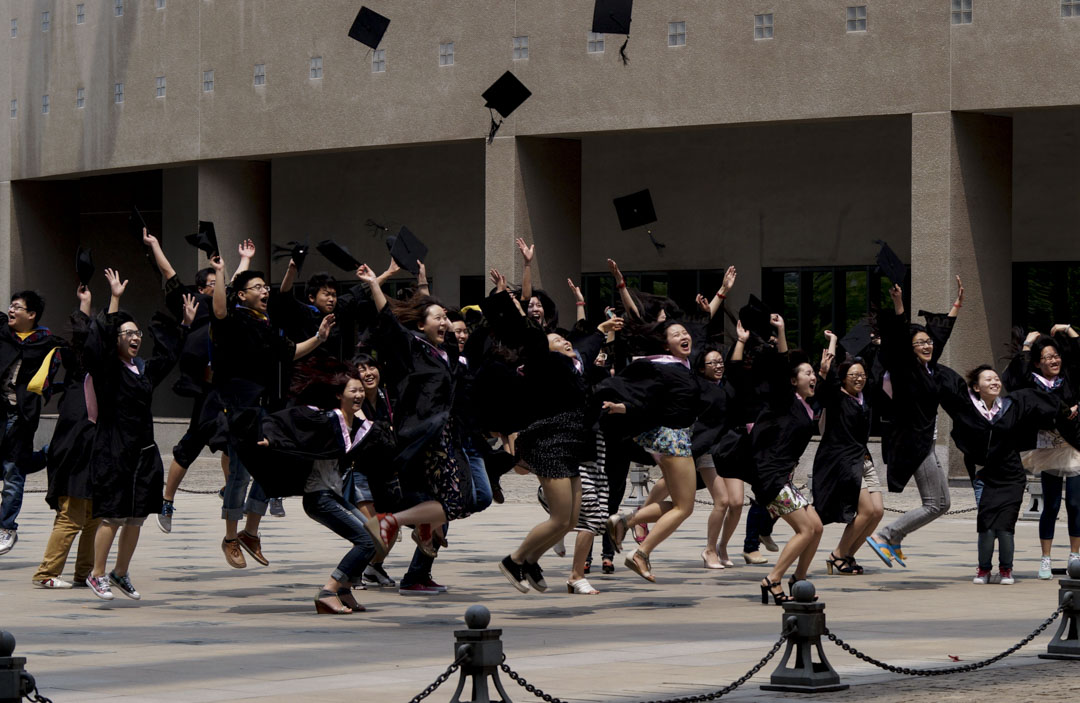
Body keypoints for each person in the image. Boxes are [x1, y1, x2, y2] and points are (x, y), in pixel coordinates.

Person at [207, 253, 334, 569]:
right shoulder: (233, 321)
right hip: (238, 408)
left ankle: (251, 532)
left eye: (266, 286)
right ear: (242, 295)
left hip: (265, 408)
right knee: (238, 475)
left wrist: (318, 338)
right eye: (258, 287)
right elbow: (220, 308)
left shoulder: (266, 325)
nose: (265, 291)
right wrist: (222, 270)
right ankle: (230, 538)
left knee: (272, 469)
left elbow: (290, 353)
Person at [356, 264, 473, 596]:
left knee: (451, 504)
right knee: (454, 502)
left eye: (446, 318)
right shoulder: (413, 347)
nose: (445, 322)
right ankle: (395, 524)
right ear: (421, 326)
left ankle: (416, 540)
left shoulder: (445, 352)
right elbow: (391, 323)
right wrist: (375, 286)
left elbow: (439, 324)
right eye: (437, 318)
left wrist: (425, 287)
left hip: (446, 435)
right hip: (426, 437)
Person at [85, 269, 189, 600]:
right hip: (114, 450)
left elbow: (167, 358)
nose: (135, 337)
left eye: (137, 333)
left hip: (143, 454)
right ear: (116, 339)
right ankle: (97, 574)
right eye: (127, 333)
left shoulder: (141, 371)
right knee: (114, 515)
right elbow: (100, 341)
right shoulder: (108, 369)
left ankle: (120, 572)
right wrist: (115, 298)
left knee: (136, 517)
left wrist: (185, 325)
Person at [141, 230, 253, 533]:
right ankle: (167, 499)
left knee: (233, 441)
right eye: (214, 284)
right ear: (203, 288)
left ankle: (230, 491)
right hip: (205, 389)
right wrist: (155, 244)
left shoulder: (226, 306)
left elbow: (235, 284)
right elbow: (168, 272)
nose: (221, 287)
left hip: (227, 390)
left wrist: (244, 260)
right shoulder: (192, 303)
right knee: (191, 445)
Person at [866, 278, 964, 568]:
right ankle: (887, 535)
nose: (927, 345)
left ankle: (893, 538)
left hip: (925, 440)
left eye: (928, 341)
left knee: (940, 503)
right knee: (937, 504)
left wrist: (957, 305)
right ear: (908, 349)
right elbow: (896, 337)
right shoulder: (904, 368)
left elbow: (941, 336)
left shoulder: (928, 368)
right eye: (920, 343)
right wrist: (899, 303)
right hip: (913, 443)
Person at [937, 364, 1065, 584]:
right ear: (976, 387)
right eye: (988, 379)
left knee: (1005, 527)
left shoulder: (1010, 406)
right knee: (986, 526)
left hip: (1011, 476)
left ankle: (1006, 570)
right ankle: (984, 570)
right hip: (984, 477)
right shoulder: (968, 409)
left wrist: (1065, 411)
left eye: (996, 379)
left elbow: (1037, 398)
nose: (995, 382)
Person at [728, 319, 827, 604]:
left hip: (781, 478)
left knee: (817, 527)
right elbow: (784, 366)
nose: (813, 377)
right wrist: (782, 332)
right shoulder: (785, 401)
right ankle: (773, 580)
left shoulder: (808, 406)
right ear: (793, 381)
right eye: (807, 373)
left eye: (813, 373)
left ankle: (800, 578)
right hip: (769, 478)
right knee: (806, 529)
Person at [601, 319, 705, 582]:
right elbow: (647, 399)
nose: (685, 336)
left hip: (672, 438)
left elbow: (654, 402)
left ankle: (624, 521)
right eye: (676, 334)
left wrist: (720, 296)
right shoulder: (665, 367)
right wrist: (623, 407)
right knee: (684, 508)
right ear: (665, 344)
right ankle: (641, 552)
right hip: (673, 439)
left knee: (678, 504)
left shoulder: (682, 366)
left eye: (685, 332)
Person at [32, 287, 98, 589]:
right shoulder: (78, 382)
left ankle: (84, 573)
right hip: (76, 456)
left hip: (94, 455)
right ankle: (46, 573)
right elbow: (83, 340)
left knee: (95, 517)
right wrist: (85, 305)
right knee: (72, 516)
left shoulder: (96, 380)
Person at [1004, 327, 1080, 578]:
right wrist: (1027, 344)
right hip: (1047, 449)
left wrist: (1068, 331)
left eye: (1056, 355)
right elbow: (1013, 379)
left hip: (1073, 445)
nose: (1053, 360)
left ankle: (1075, 556)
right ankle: (1045, 558)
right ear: (1038, 363)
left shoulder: (1068, 376)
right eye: (1047, 357)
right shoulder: (1032, 382)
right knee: (1052, 505)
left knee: (1075, 503)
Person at [812, 333, 885, 575]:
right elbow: (824, 384)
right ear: (843, 379)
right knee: (865, 511)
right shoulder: (836, 397)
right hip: (843, 461)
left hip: (863, 459)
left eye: (861, 375)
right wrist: (831, 347)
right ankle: (837, 555)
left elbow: (877, 369)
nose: (859, 379)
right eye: (853, 376)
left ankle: (849, 554)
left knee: (877, 512)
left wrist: (877, 345)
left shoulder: (865, 398)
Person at [0, 289, 64, 556]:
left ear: (32, 314)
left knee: (13, 472)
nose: (12, 310)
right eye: (11, 306)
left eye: (17, 307)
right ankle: (52, 453)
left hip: (22, 415)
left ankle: (6, 527)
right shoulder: (2, 332)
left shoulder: (46, 342)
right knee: (13, 465)